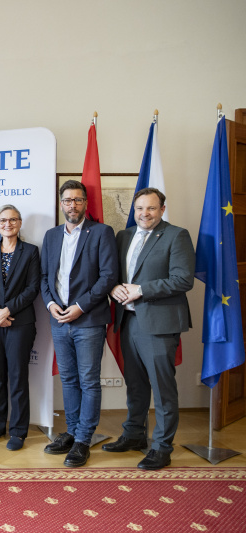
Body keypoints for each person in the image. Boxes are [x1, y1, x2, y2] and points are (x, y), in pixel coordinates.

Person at [104, 188, 194, 470]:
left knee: (162, 387)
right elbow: (114, 274)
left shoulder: (177, 235)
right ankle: (134, 435)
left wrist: (141, 290)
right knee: (136, 385)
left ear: (162, 209)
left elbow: (183, 280)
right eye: (140, 208)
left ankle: (162, 447)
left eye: (151, 208)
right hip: (128, 321)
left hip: (159, 324)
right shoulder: (124, 236)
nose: (145, 213)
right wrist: (115, 287)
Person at [41, 180, 118, 467]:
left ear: (85, 203)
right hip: (58, 320)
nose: (72, 205)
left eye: (77, 200)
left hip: (88, 320)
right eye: (67, 200)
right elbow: (45, 277)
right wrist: (51, 305)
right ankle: (72, 432)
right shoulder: (50, 236)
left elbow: (108, 276)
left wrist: (80, 306)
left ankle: (84, 439)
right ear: (60, 204)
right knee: (69, 379)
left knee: (88, 381)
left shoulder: (101, 232)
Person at [0, 205, 41, 451]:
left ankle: (18, 432)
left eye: (13, 220)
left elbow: (32, 288)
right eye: (3, 220)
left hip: (19, 323)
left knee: (17, 377)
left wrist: (7, 311)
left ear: (20, 223)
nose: (8, 224)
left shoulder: (31, 251)